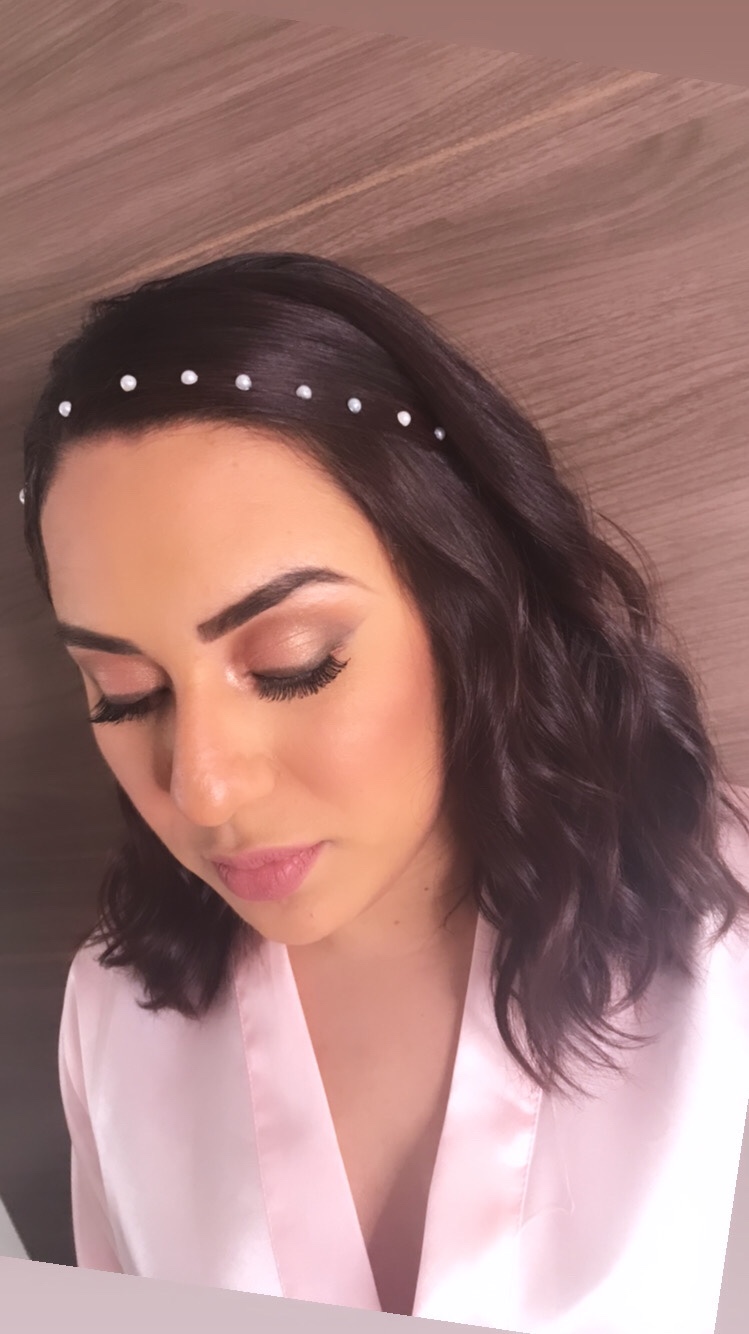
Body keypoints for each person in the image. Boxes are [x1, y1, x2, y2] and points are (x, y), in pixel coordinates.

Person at [20, 251, 749, 1332]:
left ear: (464, 602)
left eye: (294, 663)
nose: (203, 787)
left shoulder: (720, 933)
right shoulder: (113, 1017)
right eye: (124, 694)